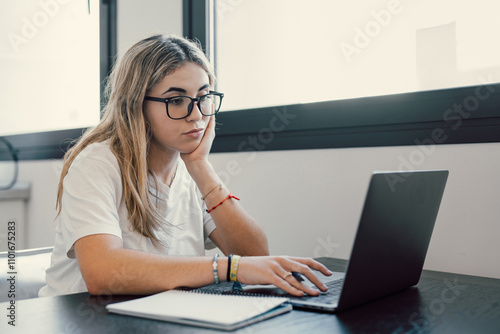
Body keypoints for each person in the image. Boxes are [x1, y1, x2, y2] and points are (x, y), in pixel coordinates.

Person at [39, 34, 331, 298]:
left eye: (203, 98)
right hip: (86, 321)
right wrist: (227, 269)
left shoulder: (188, 168)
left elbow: (253, 255)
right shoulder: (97, 164)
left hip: (159, 316)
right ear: (135, 104)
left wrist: (201, 167)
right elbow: (103, 274)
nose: (195, 115)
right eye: (177, 100)